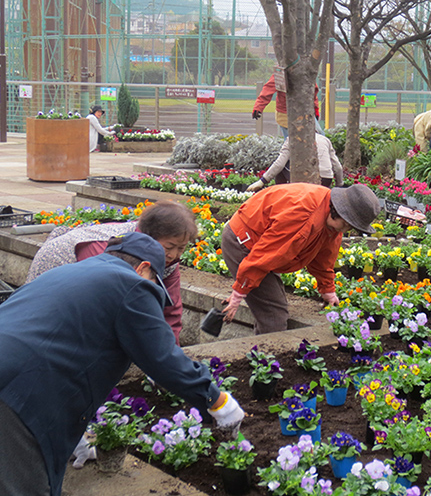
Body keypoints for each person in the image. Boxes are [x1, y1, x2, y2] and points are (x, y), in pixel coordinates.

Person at [0, 232, 244, 496]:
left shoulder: (69, 273)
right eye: (155, 281)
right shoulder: (132, 284)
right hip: (16, 396)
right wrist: (217, 401)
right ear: (144, 268)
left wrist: (71, 436)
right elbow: (162, 358)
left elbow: (53, 342)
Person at [25, 200, 197, 345]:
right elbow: (100, 304)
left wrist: (170, 351)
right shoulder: (112, 250)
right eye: (169, 247)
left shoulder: (170, 261)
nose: (174, 254)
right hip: (59, 269)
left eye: (181, 248)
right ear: (149, 236)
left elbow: (171, 310)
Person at [221, 183, 380, 334]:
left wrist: (327, 289)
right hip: (243, 243)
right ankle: (265, 360)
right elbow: (267, 254)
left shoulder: (330, 218)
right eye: (348, 225)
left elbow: (324, 257)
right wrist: (238, 294)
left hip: (261, 247)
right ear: (340, 213)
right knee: (274, 314)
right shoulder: (302, 215)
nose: (347, 230)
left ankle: (261, 356)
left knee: (271, 305)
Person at [246, 132, 343, 190]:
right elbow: (337, 167)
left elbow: (280, 164)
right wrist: (339, 187)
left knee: (283, 166)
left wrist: (262, 181)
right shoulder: (325, 140)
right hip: (326, 179)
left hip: (305, 179)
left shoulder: (292, 138)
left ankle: (283, 196)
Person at [252, 74, 321, 137]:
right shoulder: (282, 72)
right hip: (286, 113)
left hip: (305, 112)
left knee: (319, 135)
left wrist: (315, 109)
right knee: (289, 141)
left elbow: (312, 93)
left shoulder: (307, 70)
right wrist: (258, 107)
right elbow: (268, 89)